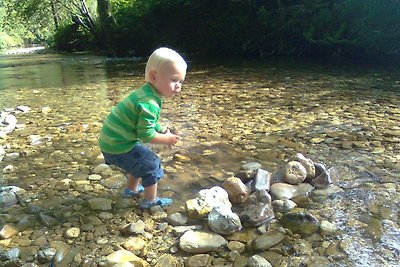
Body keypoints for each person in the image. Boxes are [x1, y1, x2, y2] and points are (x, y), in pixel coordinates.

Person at [98, 47, 187, 209]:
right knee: (151, 164)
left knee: (139, 158)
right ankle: (150, 201)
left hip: (111, 142)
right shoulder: (150, 103)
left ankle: (130, 190)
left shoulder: (145, 93)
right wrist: (166, 139)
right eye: (174, 80)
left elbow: (146, 123)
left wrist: (160, 129)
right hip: (117, 147)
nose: (178, 86)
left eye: (181, 82)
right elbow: (145, 134)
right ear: (154, 76)